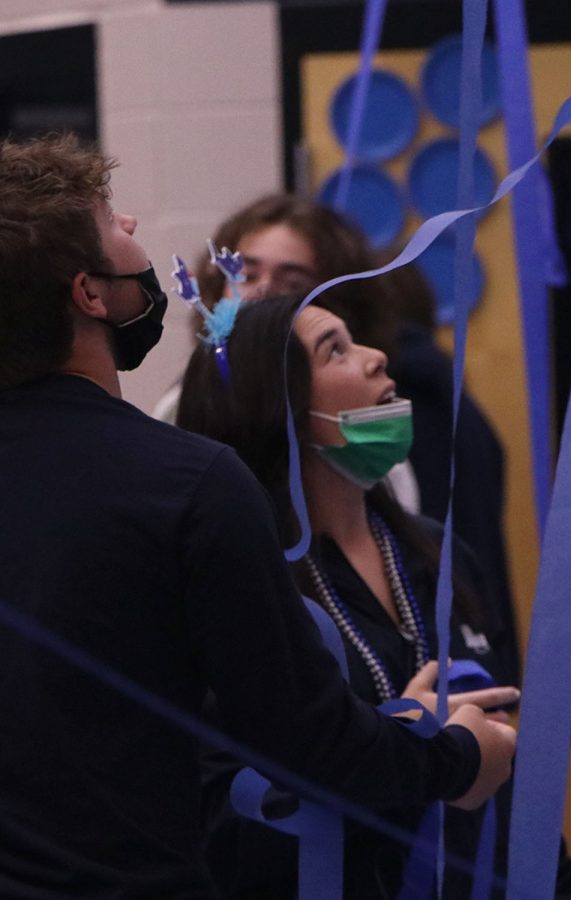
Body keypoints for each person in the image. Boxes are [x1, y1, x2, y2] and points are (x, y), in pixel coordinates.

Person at [0, 134, 517, 898]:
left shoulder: (427, 545)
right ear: (89, 292)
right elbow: (303, 738)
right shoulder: (189, 483)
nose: (135, 225)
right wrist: (454, 758)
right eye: (111, 218)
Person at [177, 293, 571, 900]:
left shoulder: (439, 553)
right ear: (282, 410)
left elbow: (506, 775)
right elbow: (226, 830)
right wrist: (406, 755)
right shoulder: (248, 585)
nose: (377, 357)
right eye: (336, 350)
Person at [158, 193, 520, 685]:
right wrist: (414, 745)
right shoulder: (241, 578)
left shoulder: (436, 547)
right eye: (245, 275)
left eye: (293, 283)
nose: (261, 294)